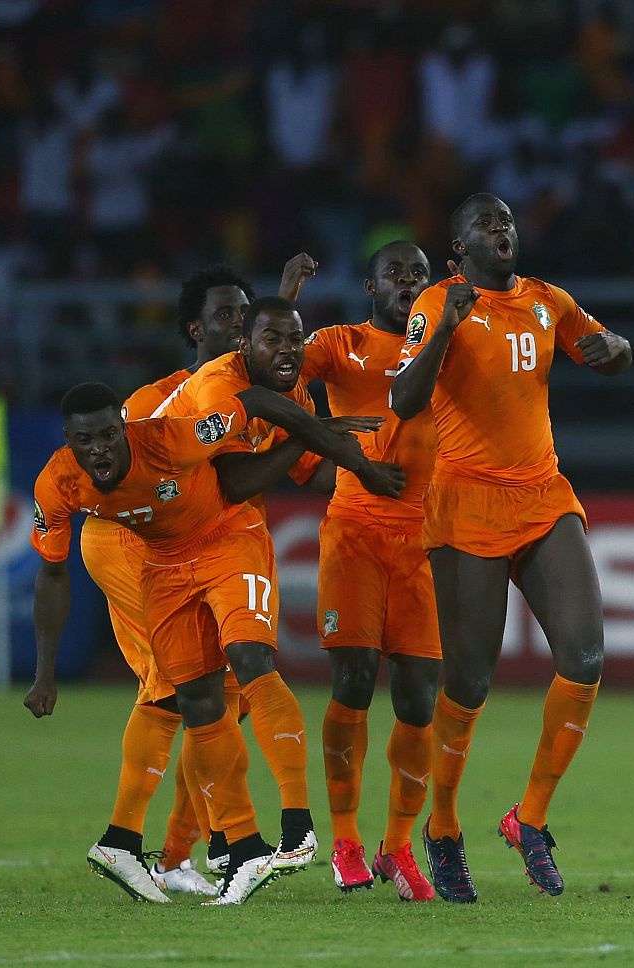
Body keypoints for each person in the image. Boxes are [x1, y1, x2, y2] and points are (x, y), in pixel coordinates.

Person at [25, 382, 392, 905]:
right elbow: (52, 575)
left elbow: (256, 401)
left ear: (123, 428)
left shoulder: (173, 440)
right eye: (86, 440)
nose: (99, 449)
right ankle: (241, 848)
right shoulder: (58, 482)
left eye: (109, 434)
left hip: (227, 540)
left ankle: (298, 828)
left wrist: (319, 435)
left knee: (249, 660)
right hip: (164, 569)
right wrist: (44, 672)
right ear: (68, 440)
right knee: (194, 701)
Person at [390, 193, 632, 902]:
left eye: (506, 220)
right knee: (468, 683)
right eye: (484, 223)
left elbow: (612, 352)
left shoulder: (548, 300)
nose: (502, 229)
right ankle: (441, 828)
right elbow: (405, 402)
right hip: (466, 503)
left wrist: (615, 352)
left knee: (585, 656)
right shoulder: (435, 304)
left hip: (543, 496)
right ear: (456, 249)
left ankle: (529, 819)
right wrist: (443, 332)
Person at [154, 294, 406, 879]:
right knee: (184, 697)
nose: (289, 350)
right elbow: (238, 479)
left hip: (222, 536)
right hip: (156, 542)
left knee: (241, 670)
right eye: (275, 340)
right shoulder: (221, 388)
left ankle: (284, 832)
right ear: (246, 344)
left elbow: (310, 470)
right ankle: (188, 845)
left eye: (298, 340)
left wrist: (362, 456)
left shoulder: (290, 391)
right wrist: (322, 437)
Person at [76, 261, 306, 899]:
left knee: (218, 695)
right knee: (178, 688)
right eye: (225, 315)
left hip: (208, 546)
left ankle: (180, 853)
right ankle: (173, 843)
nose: (239, 325)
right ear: (193, 328)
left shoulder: (250, 382)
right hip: (136, 542)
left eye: (244, 314)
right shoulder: (160, 402)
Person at [296, 241, 441, 900]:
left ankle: (399, 846)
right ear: (370, 286)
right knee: (353, 682)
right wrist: (288, 296)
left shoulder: (447, 347)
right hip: (354, 533)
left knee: (419, 700)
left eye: (419, 273)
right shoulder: (338, 343)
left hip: (428, 541)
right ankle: (347, 839)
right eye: (396, 273)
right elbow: (269, 371)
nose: (408, 282)